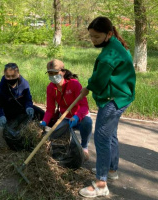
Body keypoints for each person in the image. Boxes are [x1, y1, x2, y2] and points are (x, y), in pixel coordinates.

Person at [79, 16, 136, 198]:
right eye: (91, 37)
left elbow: (98, 81)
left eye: (96, 37)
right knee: (110, 134)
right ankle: (111, 170)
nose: (93, 40)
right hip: (123, 96)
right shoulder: (117, 45)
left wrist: (87, 88)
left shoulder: (108, 56)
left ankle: (101, 184)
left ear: (109, 33)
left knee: (101, 137)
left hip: (113, 99)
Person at [40, 59, 92, 159]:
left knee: (88, 122)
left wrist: (77, 117)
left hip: (79, 116)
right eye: (50, 73)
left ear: (63, 72)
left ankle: (84, 146)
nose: (52, 76)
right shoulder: (50, 88)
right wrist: (44, 122)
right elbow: (50, 109)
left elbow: (84, 106)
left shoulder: (74, 84)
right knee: (54, 136)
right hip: (65, 118)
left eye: (55, 73)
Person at [0, 63, 44, 150]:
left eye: (13, 76)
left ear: (18, 74)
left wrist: (29, 107)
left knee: (42, 114)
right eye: (8, 76)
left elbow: (28, 99)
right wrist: (1, 116)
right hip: (9, 113)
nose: (11, 78)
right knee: (11, 132)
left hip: (23, 109)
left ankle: (54, 130)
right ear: (4, 75)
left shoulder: (24, 84)